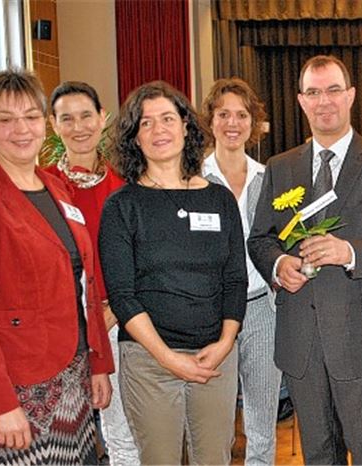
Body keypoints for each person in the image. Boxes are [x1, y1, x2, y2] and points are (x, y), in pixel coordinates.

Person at [247, 55, 362, 465]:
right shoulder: (280, 167)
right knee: (318, 454)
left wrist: (350, 252)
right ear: (301, 101)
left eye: (333, 90)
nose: (324, 101)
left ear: (351, 96)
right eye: (313, 92)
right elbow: (260, 239)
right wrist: (277, 266)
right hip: (301, 339)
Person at [0, 69, 114, 464]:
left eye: (31, 117)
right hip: (14, 387)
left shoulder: (54, 187)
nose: (21, 129)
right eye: (5, 119)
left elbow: (84, 282)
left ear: (43, 125)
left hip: (71, 377)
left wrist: (98, 363)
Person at [98, 81, 246, 465]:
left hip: (215, 356)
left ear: (186, 126)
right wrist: (167, 357)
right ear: (134, 138)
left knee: (215, 459)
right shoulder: (122, 206)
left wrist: (226, 342)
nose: (158, 130)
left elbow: (235, 278)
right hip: (149, 361)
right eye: (145, 123)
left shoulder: (219, 198)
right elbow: (122, 296)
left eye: (167, 118)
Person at [44, 81, 138, 465]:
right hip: (57, 329)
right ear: (53, 125)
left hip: (114, 323)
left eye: (86, 116)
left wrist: (112, 310)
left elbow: (141, 259)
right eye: (67, 118)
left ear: (103, 119)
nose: (79, 126)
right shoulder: (39, 186)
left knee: (122, 436)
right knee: (63, 436)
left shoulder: (127, 186)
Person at [199, 77, 279, 465]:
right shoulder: (191, 180)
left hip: (263, 309)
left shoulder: (270, 179)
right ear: (210, 121)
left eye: (241, 115)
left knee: (263, 420)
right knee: (214, 424)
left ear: (253, 122)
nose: (232, 123)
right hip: (212, 313)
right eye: (223, 114)